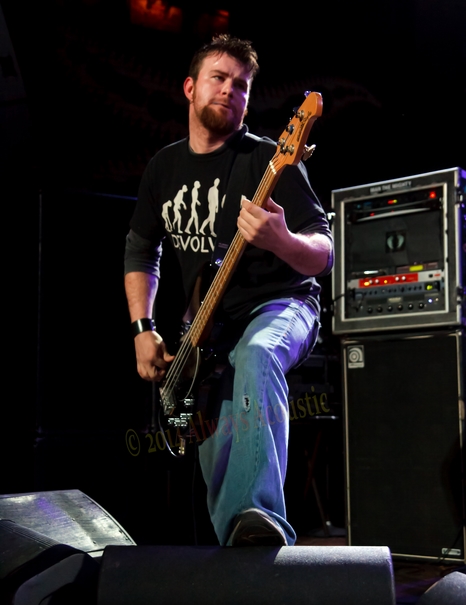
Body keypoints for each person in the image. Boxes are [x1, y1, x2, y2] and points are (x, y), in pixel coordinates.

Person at [124, 35, 333, 547]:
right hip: (210, 329)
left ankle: (263, 515)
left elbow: (324, 252)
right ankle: (244, 561)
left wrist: (282, 240)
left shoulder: (270, 159)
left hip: (283, 305)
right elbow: (141, 250)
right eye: (218, 78)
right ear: (189, 87)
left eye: (241, 86)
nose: (229, 90)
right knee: (218, 458)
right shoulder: (163, 168)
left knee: (258, 352)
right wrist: (142, 328)